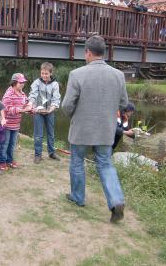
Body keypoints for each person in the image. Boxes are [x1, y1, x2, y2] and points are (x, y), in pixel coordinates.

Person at [62, 35, 128, 223]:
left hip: (81, 130)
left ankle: (78, 197)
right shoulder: (118, 75)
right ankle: (116, 201)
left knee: (77, 162)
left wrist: (73, 115)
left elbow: (67, 106)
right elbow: (124, 102)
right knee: (105, 164)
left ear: (88, 52)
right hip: (105, 130)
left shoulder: (77, 74)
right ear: (103, 53)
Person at [28, 62, 61, 164]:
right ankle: (38, 155)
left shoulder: (55, 84)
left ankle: (51, 153)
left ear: (50, 73)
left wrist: (52, 108)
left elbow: (56, 98)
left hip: (50, 112)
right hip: (38, 112)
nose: (44, 75)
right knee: (38, 134)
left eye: (46, 73)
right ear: (40, 73)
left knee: (51, 133)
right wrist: (30, 104)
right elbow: (33, 95)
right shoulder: (36, 82)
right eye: (42, 73)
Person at [0, 73, 32, 171]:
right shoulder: (9, 93)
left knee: (12, 144)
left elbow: (26, 104)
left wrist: (31, 109)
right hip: (7, 124)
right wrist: (21, 110)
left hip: (16, 125)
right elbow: (7, 108)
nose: (22, 84)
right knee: (5, 143)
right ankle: (1, 161)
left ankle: (9, 160)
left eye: (23, 82)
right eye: (20, 82)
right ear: (14, 83)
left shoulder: (22, 93)